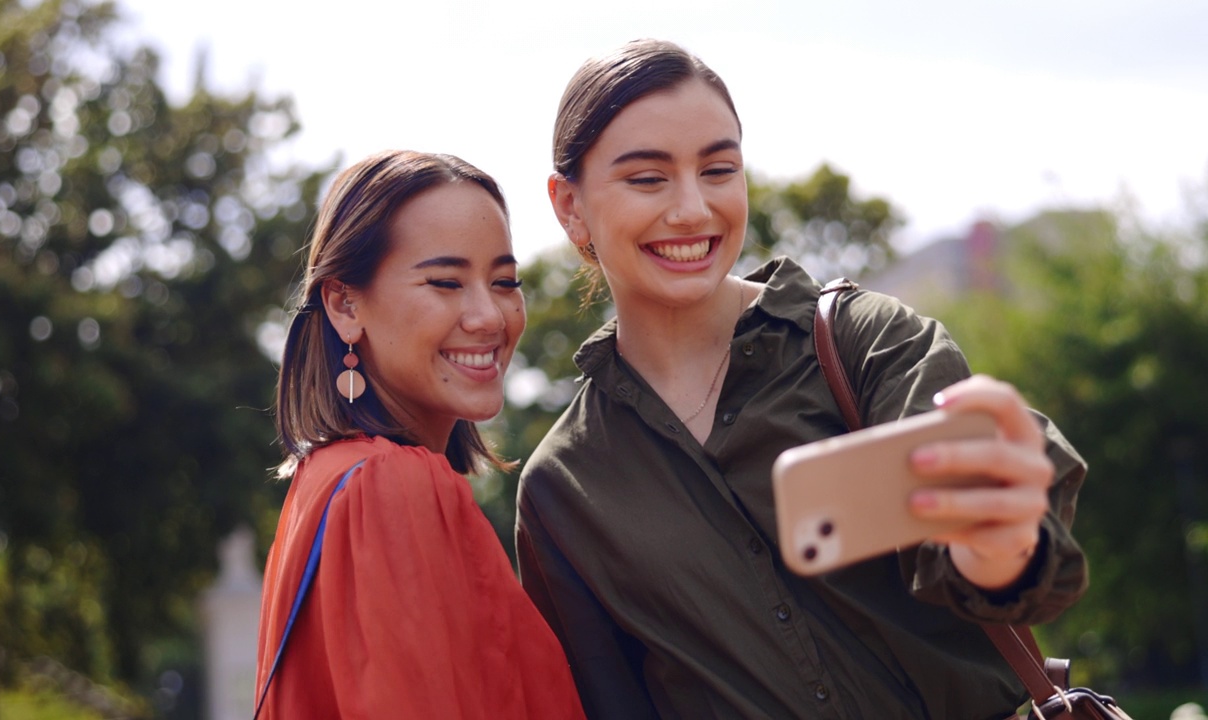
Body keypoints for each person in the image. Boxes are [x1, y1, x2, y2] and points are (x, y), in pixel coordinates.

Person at [515, 39, 1088, 720]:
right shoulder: (563, 488)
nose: (694, 208)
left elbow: (1009, 567)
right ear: (569, 206)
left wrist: (998, 538)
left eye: (719, 168)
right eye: (648, 178)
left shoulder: (865, 344)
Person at [255, 150, 585, 719]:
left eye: (505, 281)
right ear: (344, 303)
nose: (489, 315)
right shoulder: (388, 486)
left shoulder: (328, 480)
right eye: (445, 282)